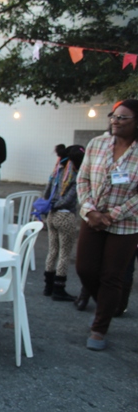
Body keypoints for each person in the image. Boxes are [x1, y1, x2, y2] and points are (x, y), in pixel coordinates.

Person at [75, 99, 138, 351]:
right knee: (85, 269)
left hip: (126, 224)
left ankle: (99, 328)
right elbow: (83, 179)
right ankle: (108, 305)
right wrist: (90, 211)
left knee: (112, 276)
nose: (115, 121)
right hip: (92, 217)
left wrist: (113, 215)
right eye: (113, 116)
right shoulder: (97, 144)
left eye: (122, 118)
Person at [42, 144, 85, 301]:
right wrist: (58, 205)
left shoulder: (57, 172)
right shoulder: (76, 176)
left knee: (52, 250)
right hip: (66, 217)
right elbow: (69, 199)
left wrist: (50, 206)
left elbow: (46, 193)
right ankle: (59, 289)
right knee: (64, 254)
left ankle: (48, 287)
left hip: (51, 216)